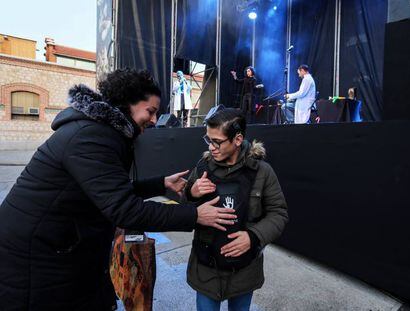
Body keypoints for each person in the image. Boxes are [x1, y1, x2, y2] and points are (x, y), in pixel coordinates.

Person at [0, 68, 237, 311]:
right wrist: (195, 215)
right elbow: (126, 210)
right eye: (151, 111)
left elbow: (109, 191)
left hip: (61, 247)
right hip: (37, 256)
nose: (155, 120)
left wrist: (160, 183)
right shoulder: (91, 137)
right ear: (127, 103)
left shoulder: (99, 131)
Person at [183, 108, 289, 311]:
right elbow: (183, 210)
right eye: (208, 140)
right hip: (206, 268)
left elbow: (279, 213)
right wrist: (191, 193)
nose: (212, 147)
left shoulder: (262, 172)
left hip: (244, 270)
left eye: (217, 141)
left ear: (238, 139)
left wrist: (254, 237)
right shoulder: (202, 168)